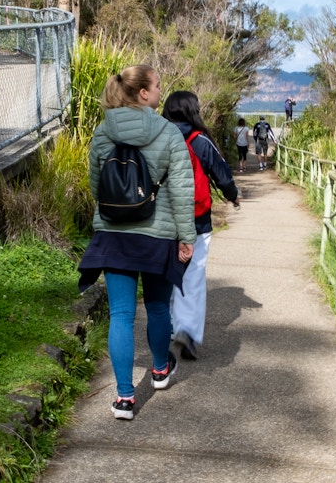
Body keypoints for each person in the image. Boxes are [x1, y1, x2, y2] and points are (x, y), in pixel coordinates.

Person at [77, 64, 197, 420]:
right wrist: (186, 237)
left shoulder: (103, 132)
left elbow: (97, 185)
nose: (161, 90)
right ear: (143, 93)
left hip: (114, 235)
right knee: (158, 308)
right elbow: (180, 190)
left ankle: (125, 398)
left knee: (121, 316)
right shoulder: (169, 133)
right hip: (157, 235)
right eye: (158, 85)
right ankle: (160, 369)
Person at [162, 91, 239, 361]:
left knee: (166, 276)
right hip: (197, 220)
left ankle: (168, 328)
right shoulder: (200, 140)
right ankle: (187, 331)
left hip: (163, 218)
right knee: (192, 276)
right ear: (192, 111)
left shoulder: (158, 136)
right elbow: (222, 174)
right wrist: (233, 197)